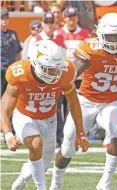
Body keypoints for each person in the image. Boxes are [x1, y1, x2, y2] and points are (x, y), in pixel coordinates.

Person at [49, 13, 117, 190]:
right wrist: (64, 83)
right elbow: (74, 74)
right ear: (100, 35)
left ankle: (105, 184)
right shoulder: (91, 48)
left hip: (111, 102)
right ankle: (56, 181)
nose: (114, 41)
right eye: (110, 36)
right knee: (68, 149)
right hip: (85, 101)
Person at [1, 40, 89, 190]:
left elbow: (73, 102)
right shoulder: (20, 73)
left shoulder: (65, 71)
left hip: (49, 118)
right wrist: (8, 134)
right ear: (35, 64)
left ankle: (23, 177)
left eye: (57, 69)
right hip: (24, 115)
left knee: (44, 163)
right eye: (49, 69)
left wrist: (81, 132)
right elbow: (4, 107)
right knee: (36, 144)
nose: (55, 73)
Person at [1, 8, 22, 96]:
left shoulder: (13, 34)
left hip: (11, 70)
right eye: (2, 18)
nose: (5, 20)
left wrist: (16, 66)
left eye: (6, 18)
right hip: (1, 70)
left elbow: (18, 52)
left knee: (11, 95)